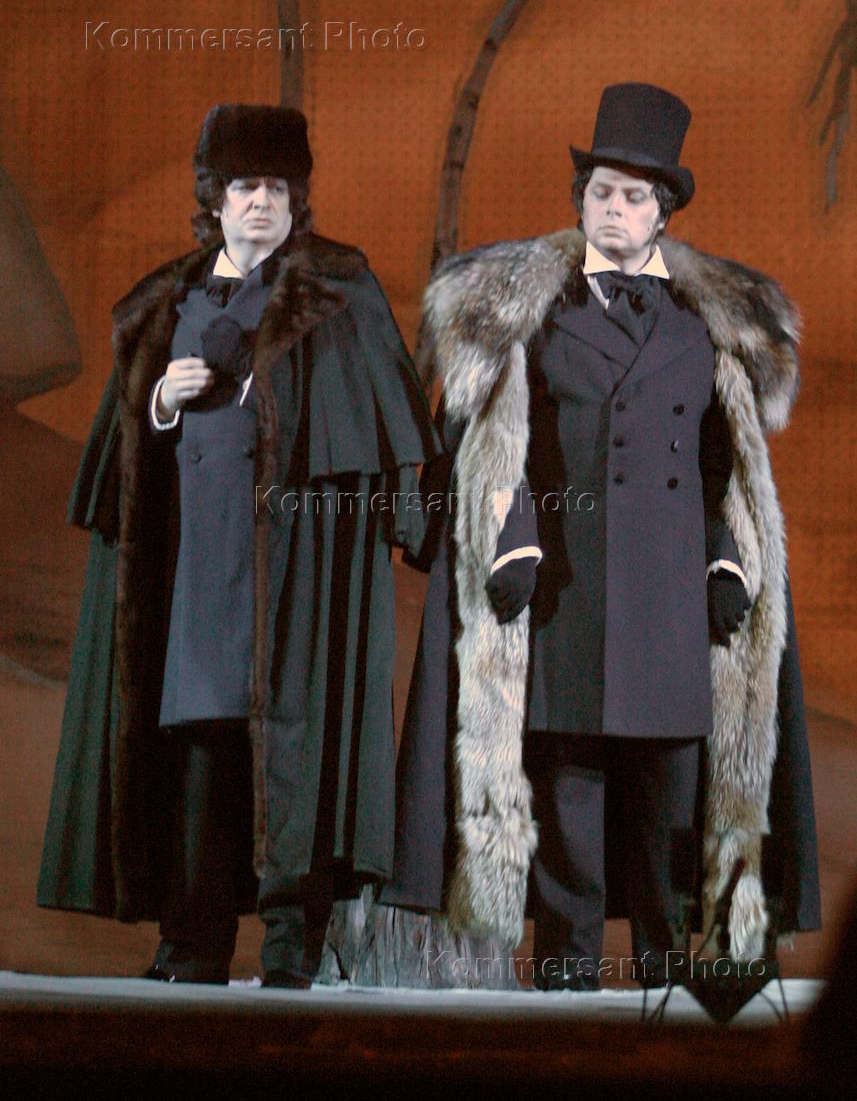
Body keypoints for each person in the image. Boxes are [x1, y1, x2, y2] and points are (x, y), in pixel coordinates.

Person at [382, 83, 820, 989]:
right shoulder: (535, 312)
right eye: (599, 193)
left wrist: (729, 558)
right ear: (580, 200)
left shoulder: (704, 326)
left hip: (671, 594)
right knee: (568, 798)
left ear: (663, 213)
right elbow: (491, 441)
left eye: (632, 196)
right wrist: (510, 538)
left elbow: (727, 464)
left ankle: (661, 967)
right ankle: (565, 968)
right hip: (563, 589)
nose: (613, 209)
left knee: (668, 801)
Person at [37, 103, 440, 986]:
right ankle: (191, 941)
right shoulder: (168, 301)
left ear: (298, 199)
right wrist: (161, 401)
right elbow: (123, 460)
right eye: (246, 186)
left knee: (292, 745)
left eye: (279, 189)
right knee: (198, 744)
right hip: (195, 566)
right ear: (214, 198)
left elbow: (385, 424)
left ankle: (292, 946)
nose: (263, 202)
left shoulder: (336, 292)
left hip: (298, 571)